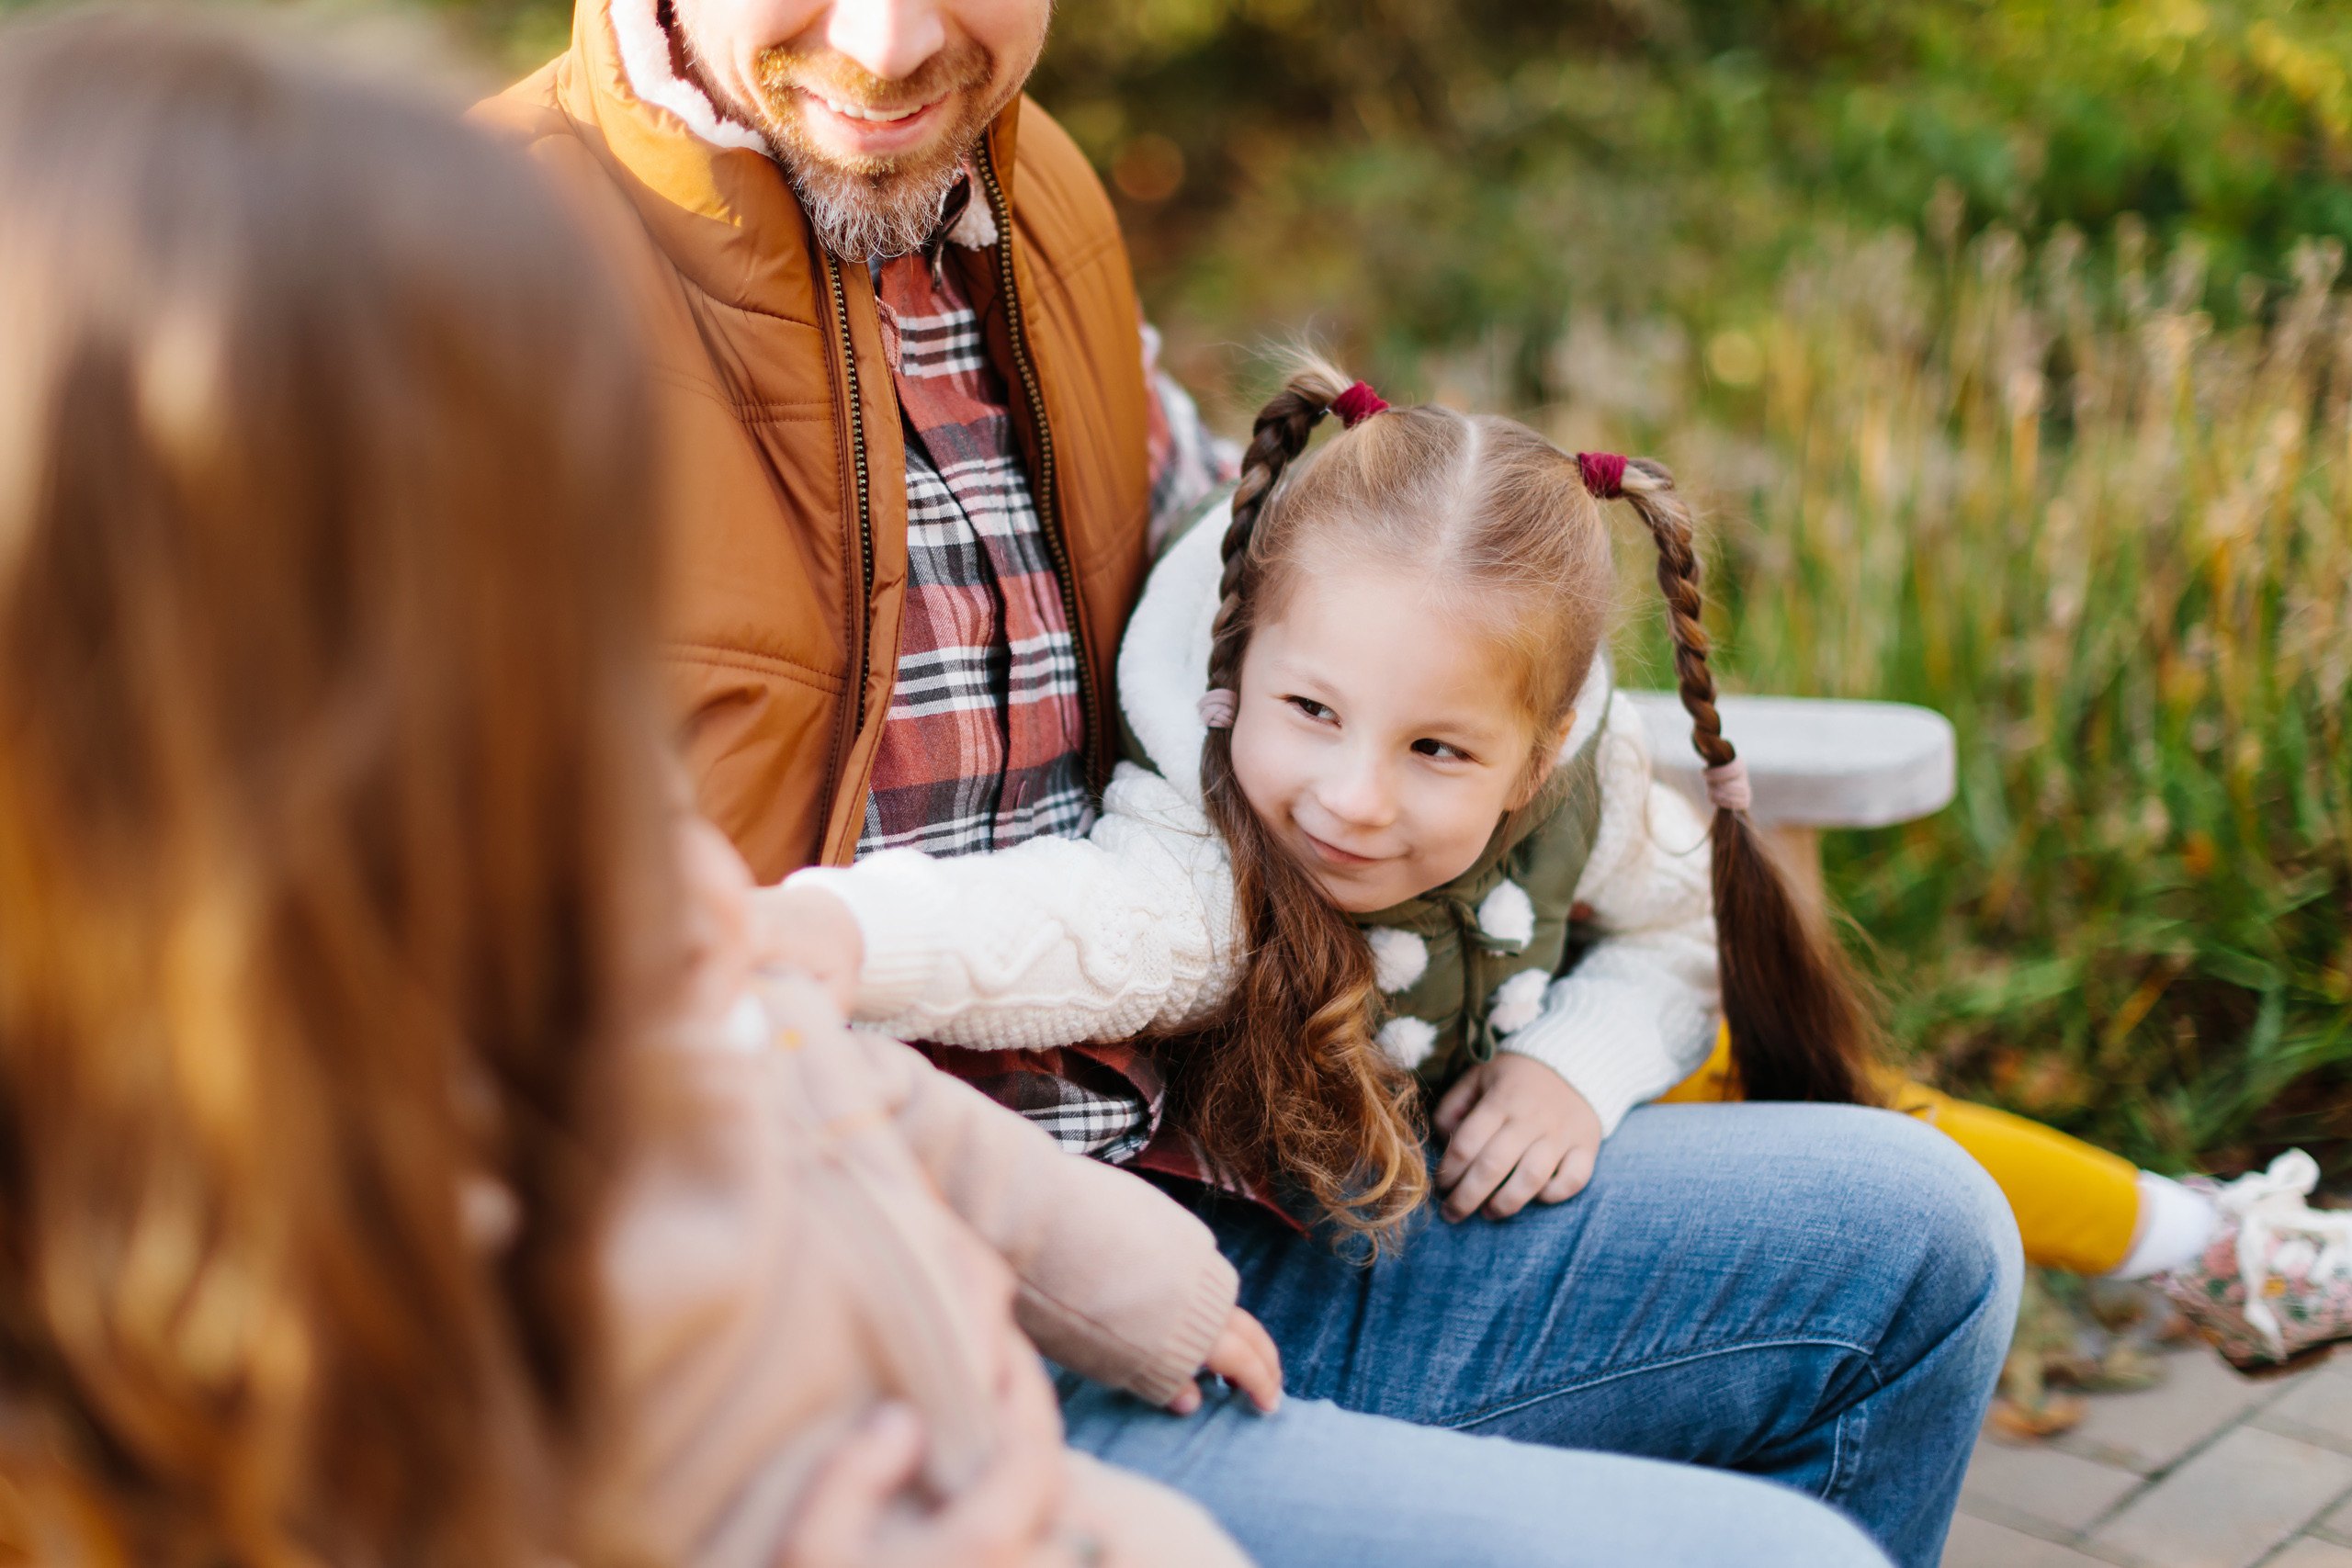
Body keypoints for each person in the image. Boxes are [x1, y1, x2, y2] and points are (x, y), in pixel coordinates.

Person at [481, 3, 2018, 1564]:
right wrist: (1020, 1248)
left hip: (1236, 1193)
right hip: (870, 1336)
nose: (885, 44)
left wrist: (1510, 661)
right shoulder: (462, 296)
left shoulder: (1030, 192)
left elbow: (1273, 560)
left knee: (1914, 1237)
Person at [0, 15, 1252, 1564]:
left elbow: (768, 1043)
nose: (890, 34)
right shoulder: (215, 1191)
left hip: (1071, 1241)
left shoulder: (1035, 198)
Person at [770, 361, 2352, 1381]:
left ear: (1533, 759)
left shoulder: (1587, 794)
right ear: (1242, 664)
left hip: (1553, 1110)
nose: (1352, 801)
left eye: (1436, 753)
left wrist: (1579, 1071)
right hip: (1385, 1230)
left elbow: (1680, 947)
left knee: (1865, 1120)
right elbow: (1052, 933)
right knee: (1862, 1146)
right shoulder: (1216, 859)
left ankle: (2204, 1246)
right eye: (1311, 712)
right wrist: (829, 931)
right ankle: (2200, 1248)